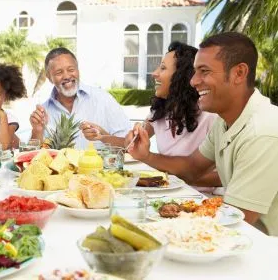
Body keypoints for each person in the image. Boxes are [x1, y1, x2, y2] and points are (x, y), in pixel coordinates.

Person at [126, 32, 278, 236]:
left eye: (204, 71)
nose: (193, 81)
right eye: (195, 71)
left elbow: (233, 224)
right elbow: (191, 168)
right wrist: (147, 156)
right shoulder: (225, 121)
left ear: (239, 73)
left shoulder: (263, 133)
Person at [84, 42, 220, 191]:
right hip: (167, 193)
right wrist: (102, 136)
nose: (154, 73)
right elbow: (132, 144)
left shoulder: (210, 115)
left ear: (181, 76)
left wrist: (178, 176)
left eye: (162, 68)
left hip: (203, 199)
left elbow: (223, 177)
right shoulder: (159, 112)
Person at [30, 47, 131, 149]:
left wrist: (103, 136)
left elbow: (130, 144)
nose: (66, 76)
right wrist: (37, 131)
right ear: (49, 78)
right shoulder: (43, 113)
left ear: (78, 70)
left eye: (71, 69)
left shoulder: (103, 99)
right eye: (59, 72)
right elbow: (33, 158)